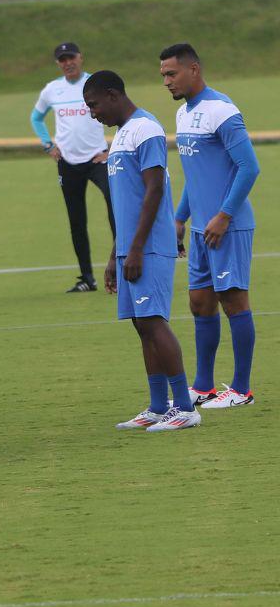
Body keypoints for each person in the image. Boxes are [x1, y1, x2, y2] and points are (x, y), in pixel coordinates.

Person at [82, 70, 201, 432]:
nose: (92, 113)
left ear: (113, 94)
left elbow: (154, 192)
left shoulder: (145, 129)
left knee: (152, 320)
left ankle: (184, 407)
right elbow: (127, 202)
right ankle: (157, 405)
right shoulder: (120, 136)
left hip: (149, 247)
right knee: (141, 324)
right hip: (131, 248)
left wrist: (134, 249)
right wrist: (115, 255)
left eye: (94, 105)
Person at [161, 43, 260, 409]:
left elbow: (249, 167)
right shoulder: (184, 114)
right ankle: (203, 387)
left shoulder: (221, 110)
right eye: (163, 76)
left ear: (194, 70)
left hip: (227, 226)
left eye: (172, 74)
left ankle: (241, 390)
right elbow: (195, 175)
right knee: (200, 303)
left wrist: (224, 214)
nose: (167, 82)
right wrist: (180, 218)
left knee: (234, 301)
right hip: (202, 228)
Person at [31, 42, 116, 293]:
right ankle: (87, 278)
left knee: (116, 208)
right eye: (62, 59)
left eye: (71, 58)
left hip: (97, 159)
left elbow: (120, 111)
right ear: (58, 63)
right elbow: (36, 118)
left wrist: (110, 149)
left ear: (81, 58)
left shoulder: (96, 84)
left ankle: (120, 269)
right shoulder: (52, 90)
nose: (68, 63)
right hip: (67, 162)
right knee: (76, 220)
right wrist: (48, 145)